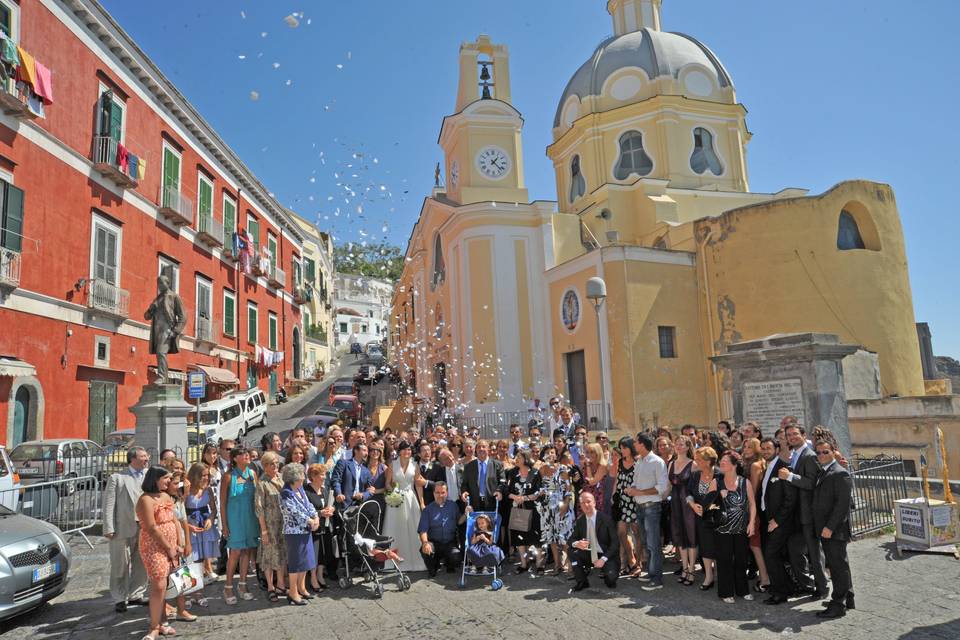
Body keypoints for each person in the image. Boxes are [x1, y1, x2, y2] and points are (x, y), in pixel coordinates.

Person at [778, 422, 828, 597]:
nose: (791, 437)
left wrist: (790, 476)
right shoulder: (795, 454)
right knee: (795, 549)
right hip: (798, 515)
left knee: (814, 552)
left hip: (809, 515)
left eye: (794, 434)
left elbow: (812, 483)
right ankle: (807, 585)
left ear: (804, 436)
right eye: (789, 435)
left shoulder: (809, 455)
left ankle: (822, 588)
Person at [135, 466, 180, 639]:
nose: (169, 481)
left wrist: (179, 542)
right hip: (154, 547)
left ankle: (162, 622)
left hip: (171, 546)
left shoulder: (166, 496)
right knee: (159, 585)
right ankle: (153, 626)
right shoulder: (146, 499)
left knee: (165, 584)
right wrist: (168, 546)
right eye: (166, 478)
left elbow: (174, 520)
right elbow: (152, 527)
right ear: (156, 479)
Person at [104, 446, 150, 613]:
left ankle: (136, 594)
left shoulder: (148, 475)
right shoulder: (117, 478)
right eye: (143, 456)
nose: (147, 458)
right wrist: (109, 527)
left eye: (146, 456)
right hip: (122, 527)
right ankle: (119, 597)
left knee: (142, 561)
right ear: (133, 459)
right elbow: (109, 504)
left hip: (144, 526)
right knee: (120, 564)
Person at [813, 440, 855, 618]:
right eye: (819, 452)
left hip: (834, 529)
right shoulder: (825, 471)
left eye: (825, 452)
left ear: (833, 452)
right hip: (826, 528)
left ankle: (838, 604)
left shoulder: (840, 473)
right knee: (839, 564)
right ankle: (848, 598)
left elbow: (842, 505)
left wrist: (830, 527)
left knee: (838, 567)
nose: (822, 455)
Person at [709, 451, 757, 604]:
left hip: (741, 529)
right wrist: (719, 497)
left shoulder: (745, 482)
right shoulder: (716, 482)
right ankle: (725, 592)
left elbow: (752, 504)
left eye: (724, 461)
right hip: (722, 529)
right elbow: (708, 507)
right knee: (724, 560)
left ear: (734, 465)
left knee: (742, 560)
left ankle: (743, 590)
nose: (721, 463)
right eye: (721, 461)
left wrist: (751, 523)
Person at [758, 437, 799, 606]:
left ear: (776, 449)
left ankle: (780, 592)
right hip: (767, 519)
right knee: (774, 555)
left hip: (780, 521)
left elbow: (790, 499)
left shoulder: (783, 468)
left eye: (768, 448)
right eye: (763, 448)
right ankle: (788, 586)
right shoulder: (766, 467)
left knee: (771, 554)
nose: (765, 451)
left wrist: (777, 520)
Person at [625, 433, 667, 591]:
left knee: (653, 543)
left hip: (651, 507)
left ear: (642, 444)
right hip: (640, 507)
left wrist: (639, 492)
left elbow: (661, 488)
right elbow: (637, 482)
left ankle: (657, 579)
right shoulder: (640, 461)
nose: (634, 444)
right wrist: (632, 490)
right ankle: (651, 573)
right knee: (646, 542)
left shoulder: (657, 462)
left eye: (636, 442)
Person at [219, 446, 260, 605]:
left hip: (250, 517)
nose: (247, 456)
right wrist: (224, 525)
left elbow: (257, 499)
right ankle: (228, 587)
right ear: (235, 458)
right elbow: (222, 503)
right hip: (234, 518)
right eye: (243, 454)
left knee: (248, 551)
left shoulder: (252, 474)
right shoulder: (228, 477)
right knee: (235, 552)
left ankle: (242, 584)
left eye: (248, 454)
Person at [278, 462, 319, 605]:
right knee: (296, 563)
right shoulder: (285, 493)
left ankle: (301, 588)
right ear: (294, 477)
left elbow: (309, 505)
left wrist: (316, 517)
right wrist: (310, 521)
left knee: (305, 561)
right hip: (294, 532)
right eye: (301, 475)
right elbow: (293, 512)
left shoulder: (300, 489)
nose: (304, 477)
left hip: (305, 530)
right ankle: (293, 592)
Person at [384, 441, 427, 571]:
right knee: (396, 527)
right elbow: (387, 483)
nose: (406, 452)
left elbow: (418, 485)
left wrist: (422, 503)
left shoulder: (415, 465)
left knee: (412, 528)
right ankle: (393, 560)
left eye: (409, 450)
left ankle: (414, 560)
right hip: (395, 500)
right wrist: (392, 493)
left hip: (410, 499)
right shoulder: (393, 464)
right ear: (399, 451)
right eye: (404, 450)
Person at [567, 491, 620, 592]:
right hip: (588, 553)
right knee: (572, 551)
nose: (585, 505)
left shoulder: (606, 519)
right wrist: (577, 543)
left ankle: (606, 573)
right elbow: (570, 540)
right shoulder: (580, 520)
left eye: (588, 502)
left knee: (611, 580)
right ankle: (582, 581)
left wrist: (603, 559)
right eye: (582, 503)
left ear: (594, 503)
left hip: (605, 554)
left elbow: (615, 543)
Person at [535, 445, 574, 575]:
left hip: (561, 505)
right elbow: (540, 488)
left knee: (564, 537)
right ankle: (557, 565)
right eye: (547, 453)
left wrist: (566, 504)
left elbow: (568, 488)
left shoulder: (562, 469)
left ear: (556, 455)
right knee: (551, 537)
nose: (550, 455)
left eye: (552, 452)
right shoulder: (541, 470)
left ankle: (570, 565)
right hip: (547, 508)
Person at [164, 469, 197, 623]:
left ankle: (182, 610)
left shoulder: (178, 499)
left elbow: (183, 521)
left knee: (182, 576)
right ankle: (163, 610)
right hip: (166, 543)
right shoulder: (162, 500)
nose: (178, 486)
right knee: (164, 579)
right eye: (175, 483)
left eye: (179, 483)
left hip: (180, 543)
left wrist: (187, 543)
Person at [254, 451, 287, 602]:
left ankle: (280, 584)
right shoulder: (262, 483)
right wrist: (264, 530)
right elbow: (259, 508)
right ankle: (270, 586)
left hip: (283, 523)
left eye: (277, 462)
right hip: (270, 524)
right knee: (268, 556)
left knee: (280, 553)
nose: (275, 465)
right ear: (265, 466)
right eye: (272, 463)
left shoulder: (281, 478)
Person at [185, 463, 219, 605]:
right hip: (190, 527)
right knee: (193, 561)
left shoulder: (208, 490)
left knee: (203, 559)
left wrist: (211, 519)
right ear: (195, 476)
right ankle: (194, 593)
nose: (206, 478)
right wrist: (187, 525)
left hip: (204, 527)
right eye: (203, 475)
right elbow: (179, 511)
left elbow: (214, 509)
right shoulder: (186, 490)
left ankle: (198, 592)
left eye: (207, 475)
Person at [686, 446, 719, 591]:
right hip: (700, 516)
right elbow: (688, 493)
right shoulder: (694, 475)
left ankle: (720, 575)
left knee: (719, 546)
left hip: (718, 516)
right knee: (705, 546)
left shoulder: (720, 475)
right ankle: (709, 576)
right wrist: (693, 505)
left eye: (699, 459)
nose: (696, 461)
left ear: (708, 461)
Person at [418, 482, 467, 577]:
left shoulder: (453, 506)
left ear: (447, 493)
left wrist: (466, 513)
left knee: (456, 556)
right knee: (425, 549)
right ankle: (433, 567)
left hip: (450, 543)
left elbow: (460, 521)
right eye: (437, 492)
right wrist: (425, 543)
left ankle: (449, 565)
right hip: (434, 543)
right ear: (433, 493)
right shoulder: (427, 510)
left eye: (443, 492)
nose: (440, 495)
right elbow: (422, 530)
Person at [742, 437, 771, 591]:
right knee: (756, 544)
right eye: (744, 447)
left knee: (755, 545)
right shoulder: (762, 463)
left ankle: (765, 578)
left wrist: (748, 513)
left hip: (753, 509)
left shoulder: (754, 465)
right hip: (759, 508)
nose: (745, 449)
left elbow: (752, 491)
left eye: (749, 447)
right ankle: (764, 576)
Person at [668, 435, 698, 586]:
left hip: (688, 503)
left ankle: (692, 570)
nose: (678, 446)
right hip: (675, 503)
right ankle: (685, 568)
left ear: (688, 447)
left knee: (690, 536)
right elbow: (667, 487)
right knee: (679, 535)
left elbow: (697, 487)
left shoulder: (693, 464)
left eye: (682, 444)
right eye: (677, 444)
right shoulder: (671, 463)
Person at [610, 437, 642, 578]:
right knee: (621, 532)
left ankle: (638, 564)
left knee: (637, 533)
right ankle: (631, 559)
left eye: (624, 448)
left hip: (635, 501)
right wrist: (613, 495)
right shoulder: (620, 462)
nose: (622, 450)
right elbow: (617, 479)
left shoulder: (639, 461)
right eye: (621, 448)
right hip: (622, 502)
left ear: (631, 448)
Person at [506, 450, 541, 574]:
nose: (516, 459)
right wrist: (515, 497)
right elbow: (506, 491)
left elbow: (539, 492)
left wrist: (524, 498)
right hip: (518, 510)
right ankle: (524, 563)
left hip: (533, 509)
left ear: (525, 459)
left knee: (535, 537)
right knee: (520, 538)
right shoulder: (512, 472)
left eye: (519, 457)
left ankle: (539, 564)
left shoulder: (535, 473)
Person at [303, 462, 336, 592]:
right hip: (314, 527)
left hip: (326, 526)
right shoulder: (307, 491)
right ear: (314, 476)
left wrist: (331, 509)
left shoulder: (324, 489)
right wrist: (320, 513)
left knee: (324, 551)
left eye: (325, 474)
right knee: (315, 553)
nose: (324, 477)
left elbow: (331, 504)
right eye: (322, 474)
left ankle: (320, 576)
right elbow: (305, 511)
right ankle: (313, 579)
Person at [460, 440, 505, 512]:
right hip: (475, 504)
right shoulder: (469, 466)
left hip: (492, 502)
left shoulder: (497, 465)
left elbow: (502, 482)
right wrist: (464, 491)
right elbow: (464, 484)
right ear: (476, 450)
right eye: (479, 447)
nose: (481, 449)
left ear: (488, 449)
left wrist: (499, 491)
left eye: (483, 447)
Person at [332, 443, 374, 509]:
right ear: (356, 451)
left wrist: (363, 495)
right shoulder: (343, 463)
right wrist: (338, 493)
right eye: (364, 450)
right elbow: (336, 480)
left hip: (358, 506)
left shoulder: (367, 471)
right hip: (342, 503)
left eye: (367, 451)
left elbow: (370, 490)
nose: (366, 453)